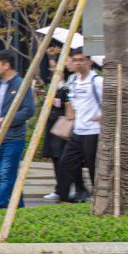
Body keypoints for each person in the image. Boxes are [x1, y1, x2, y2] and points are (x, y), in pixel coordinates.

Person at [0, 50, 35, 211]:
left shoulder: (21, 84)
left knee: (6, 173)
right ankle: (19, 205)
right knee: (7, 174)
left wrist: (8, 120)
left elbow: (28, 110)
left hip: (14, 137)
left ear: (6, 65)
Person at [56, 50, 102, 203]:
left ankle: (100, 197)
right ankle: (68, 195)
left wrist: (102, 116)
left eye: (81, 60)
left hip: (93, 131)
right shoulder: (73, 80)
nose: (77, 63)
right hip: (77, 131)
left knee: (94, 166)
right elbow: (71, 102)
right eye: (75, 60)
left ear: (89, 62)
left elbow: (111, 103)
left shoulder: (97, 81)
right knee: (66, 162)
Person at [42, 57, 88, 202]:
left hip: (66, 126)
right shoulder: (57, 84)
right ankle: (63, 190)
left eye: (55, 66)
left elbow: (71, 103)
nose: (52, 70)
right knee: (58, 158)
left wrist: (56, 101)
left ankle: (76, 189)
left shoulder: (72, 82)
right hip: (55, 126)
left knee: (67, 159)